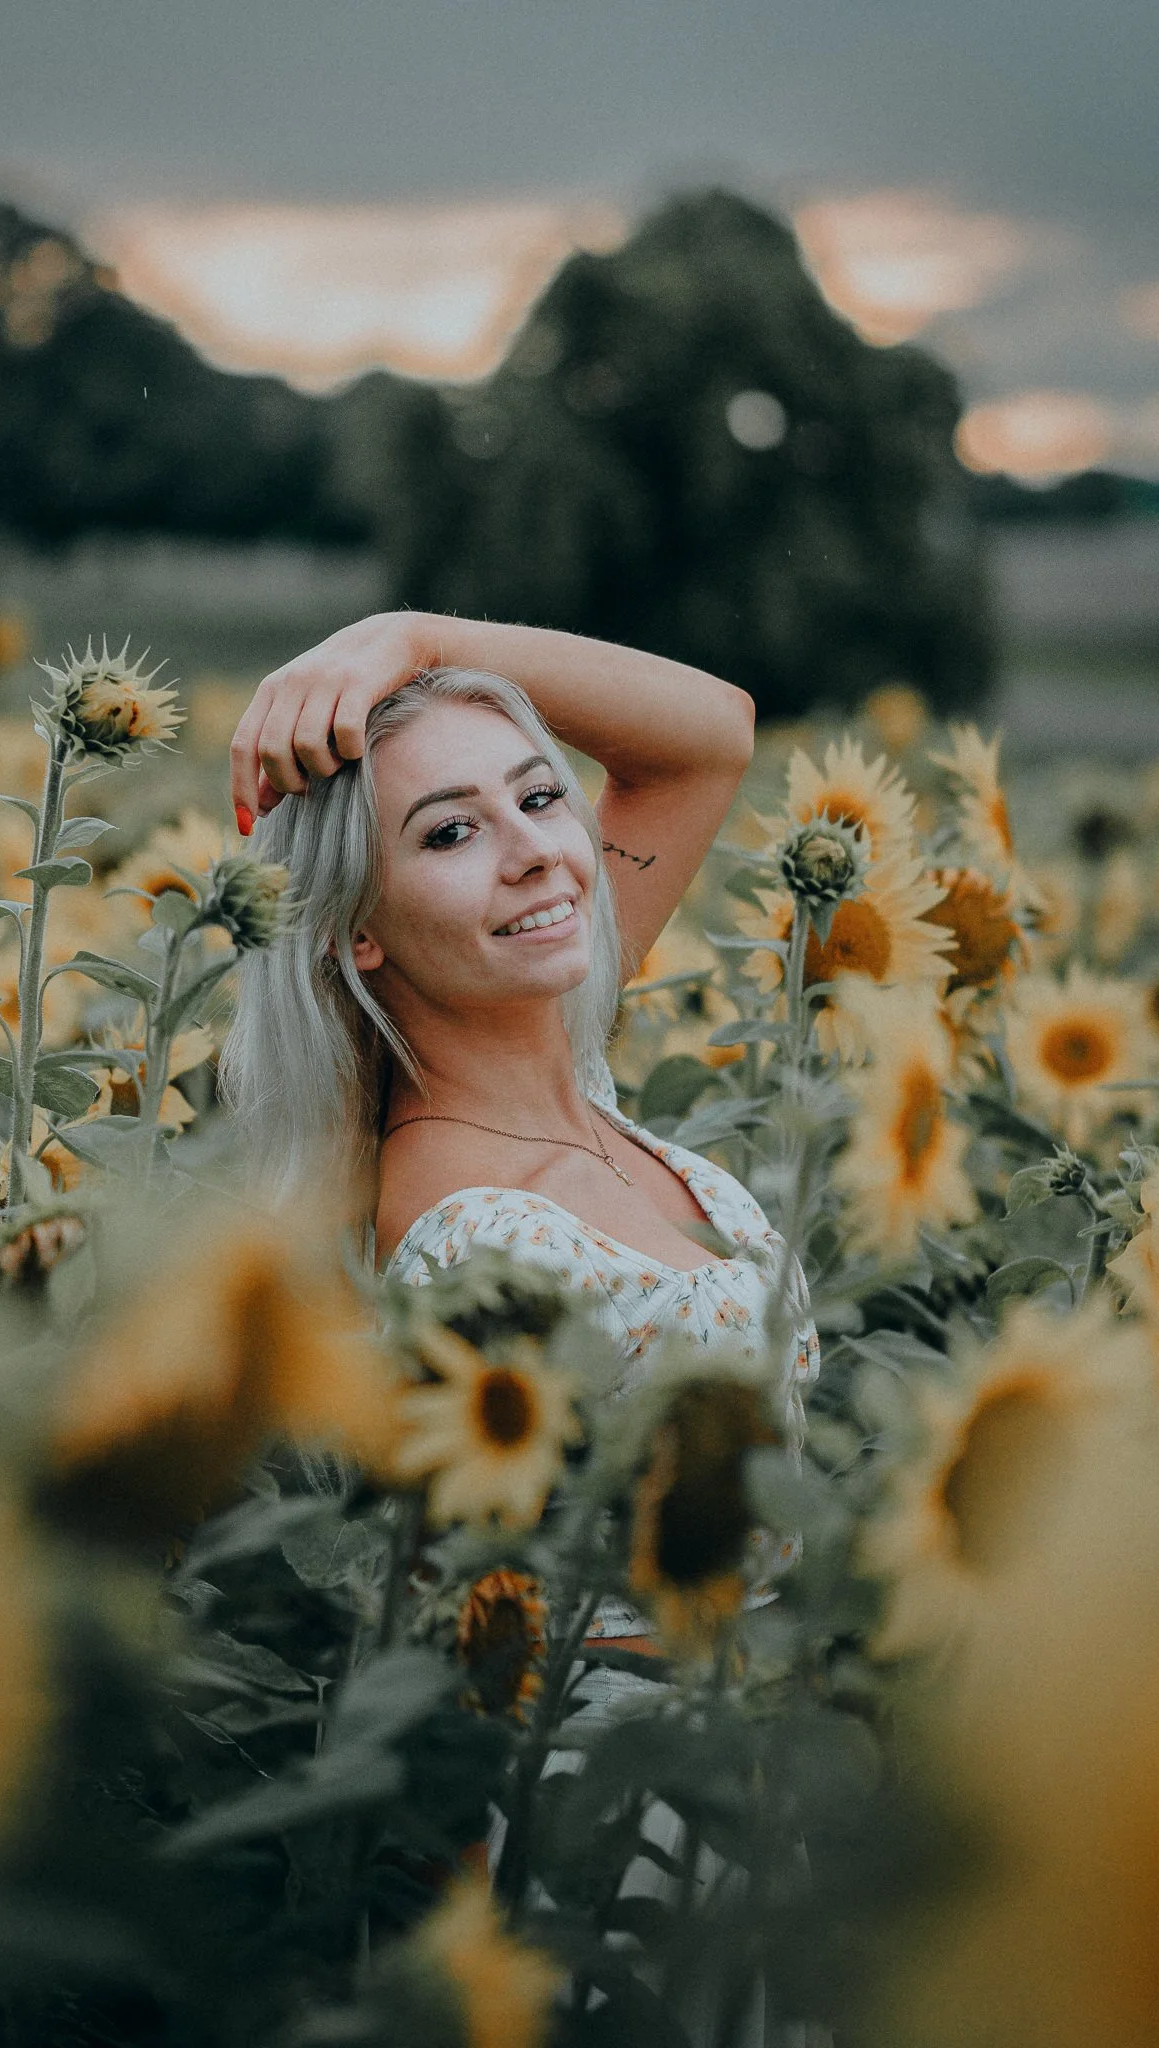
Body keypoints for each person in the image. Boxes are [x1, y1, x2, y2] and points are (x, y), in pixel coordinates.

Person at [220, 609, 819, 1627]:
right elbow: (509, 1630)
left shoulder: (560, 1061)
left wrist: (410, 639)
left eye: (541, 795)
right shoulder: (476, 1240)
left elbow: (713, 736)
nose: (537, 851)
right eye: (452, 830)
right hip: (644, 1766)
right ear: (354, 929)